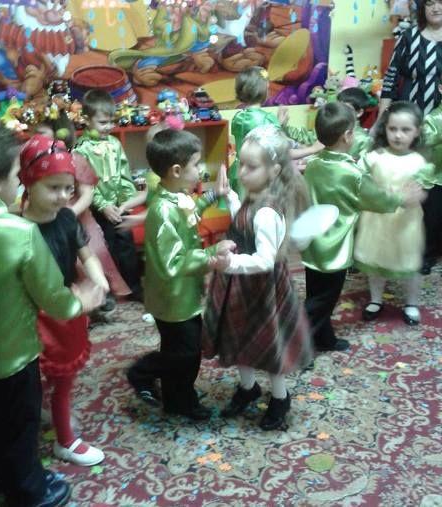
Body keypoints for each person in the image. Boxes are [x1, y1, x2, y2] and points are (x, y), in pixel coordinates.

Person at [0, 118, 104, 507]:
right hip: (12, 355)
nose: (19, 184)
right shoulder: (17, 232)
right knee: (21, 425)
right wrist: (82, 301)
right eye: (15, 176)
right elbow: (55, 299)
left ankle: (0, 474)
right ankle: (31, 492)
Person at [203, 125, 313, 431]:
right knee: (239, 337)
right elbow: (241, 219)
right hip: (241, 284)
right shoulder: (254, 199)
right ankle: (248, 388)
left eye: (251, 167)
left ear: (274, 171)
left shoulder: (267, 212)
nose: (242, 172)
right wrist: (229, 196)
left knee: (268, 345)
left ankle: (280, 398)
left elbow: (265, 259)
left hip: (262, 289)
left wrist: (231, 263)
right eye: (241, 163)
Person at [126, 128, 235, 421]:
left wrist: (213, 195)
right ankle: (149, 377)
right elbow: (172, 262)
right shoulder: (162, 210)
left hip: (185, 293)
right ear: (176, 170)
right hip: (172, 299)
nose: (200, 170)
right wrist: (212, 254)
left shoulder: (177, 196)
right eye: (196, 164)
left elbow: (190, 214)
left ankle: (177, 395)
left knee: (184, 349)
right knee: (184, 353)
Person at [302, 102, 425, 352]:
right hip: (334, 248)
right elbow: (377, 199)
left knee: (316, 293)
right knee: (322, 301)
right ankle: (295, 346)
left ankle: (324, 339)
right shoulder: (351, 173)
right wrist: (402, 199)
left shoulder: (314, 163)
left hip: (313, 243)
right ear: (348, 136)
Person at [19, 134, 109, 466]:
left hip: (68, 308)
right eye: (53, 187)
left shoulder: (67, 218)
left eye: (68, 188)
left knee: (64, 379)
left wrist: (99, 280)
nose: (62, 196)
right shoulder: (17, 229)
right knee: (38, 375)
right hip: (34, 314)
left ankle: (62, 431)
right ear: (29, 183)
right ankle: (65, 440)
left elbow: (87, 255)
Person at [354, 101, 441, 325]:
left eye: (405, 130)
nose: (398, 135)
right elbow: (362, 182)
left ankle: (411, 303)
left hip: (406, 222)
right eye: (393, 129)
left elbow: (422, 192)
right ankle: (376, 299)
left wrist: (416, 197)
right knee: (376, 260)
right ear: (385, 129)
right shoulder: (374, 157)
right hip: (377, 221)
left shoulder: (420, 162)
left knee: (408, 262)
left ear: (417, 132)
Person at [36, 113, 130, 315]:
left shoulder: (75, 160)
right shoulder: (37, 162)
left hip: (77, 216)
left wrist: (68, 214)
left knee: (92, 255)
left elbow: (87, 194)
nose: (37, 139)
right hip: (49, 217)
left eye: (43, 134)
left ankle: (99, 297)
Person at [380, 0, 442, 274]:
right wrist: (382, 117)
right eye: (430, 3)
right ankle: (397, 244)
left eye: (440, 2)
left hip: (439, 126)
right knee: (403, 181)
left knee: (433, 189)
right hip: (407, 122)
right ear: (422, 8)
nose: (436, 8)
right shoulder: (409, 36)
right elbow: (392, 75)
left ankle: (426, 252)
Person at [74, 89, 145, 301]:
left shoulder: (115, 144)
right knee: (104, 249)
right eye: (103, 122)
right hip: (96, 209)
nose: (108, 127)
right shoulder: (81, 149)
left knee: (126, 246)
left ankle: (134, 287)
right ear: (87, 120)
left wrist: (126, 203)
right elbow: (86, 184)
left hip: (119, 207)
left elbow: (124, 175)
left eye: (111, 122)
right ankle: (110, 290)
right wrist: (103, 205)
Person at [229, 66, 323, 197]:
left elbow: (255, 138)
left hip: (239, 172)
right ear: (263, 91)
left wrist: (278, 126)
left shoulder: (237, 118)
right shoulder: (267, 119)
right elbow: (283, 153)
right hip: (258, 176)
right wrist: (313, 149)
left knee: (242, 206)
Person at [337, 87, 372, 160]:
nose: (341, 112)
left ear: (359, 113)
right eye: (339, 107)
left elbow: (363, 164)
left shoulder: (363, 139)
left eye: (347, 109)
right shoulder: (332, 127)